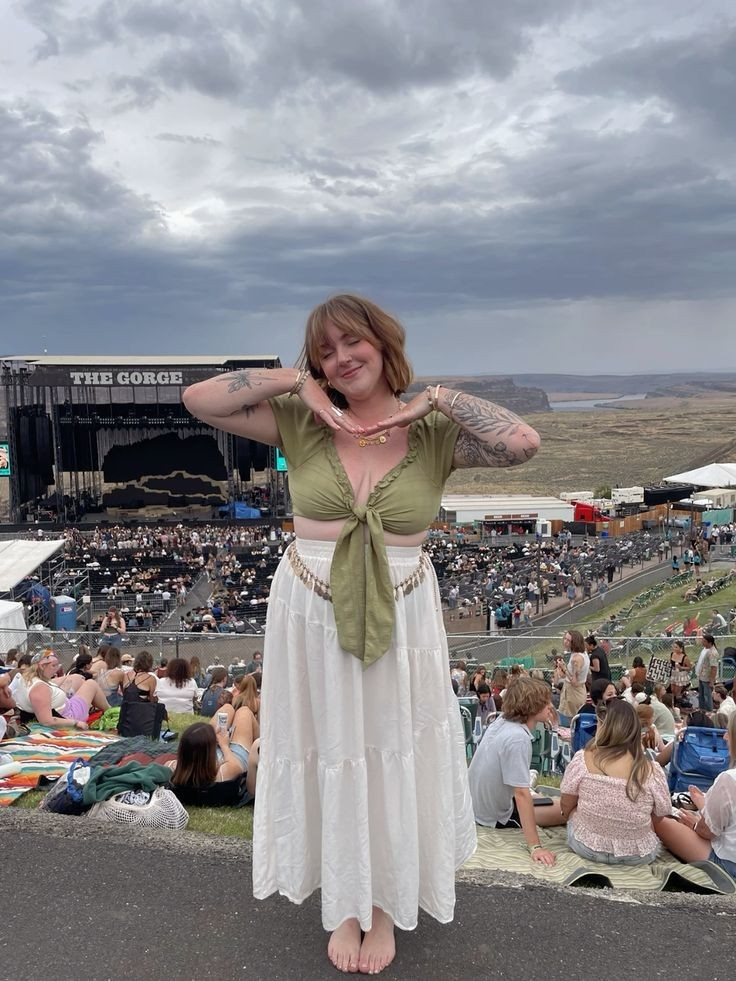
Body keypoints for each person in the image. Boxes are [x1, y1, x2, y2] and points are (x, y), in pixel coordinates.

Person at [182, 292, 541, 975]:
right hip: (310, 609)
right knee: (330, 744)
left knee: (388, 747)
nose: (341, 358)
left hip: (401, 613)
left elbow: (523, 442)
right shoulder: (299, 419)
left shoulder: (433, 433)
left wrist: (434, 399)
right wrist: (298, 384)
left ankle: (381, 904)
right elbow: (198, 399)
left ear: (382, 343)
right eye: (325, 351)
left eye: (353, 342)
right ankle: (345, 902)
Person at [560, 699, 671, 865]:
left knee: (574, 808)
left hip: (586, 847)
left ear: (604, 727)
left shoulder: (584, 759)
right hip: (638, 855)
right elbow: (661, 814)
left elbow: (566, 804)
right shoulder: (652, 771)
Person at [468, 677, 566, 865]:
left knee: (551, 802)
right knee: (567, 809)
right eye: (545, 702)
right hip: (495, 816)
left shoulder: (501, 722)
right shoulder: (518, 738)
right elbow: (521, 794)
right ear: (532, 706)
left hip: (478, 806)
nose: (550, 706)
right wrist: (535, 846)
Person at [654, 713, 736, 878]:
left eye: (729, 732)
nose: (725, 737)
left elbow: (707, 831)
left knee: (659, 820)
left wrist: (696, 823)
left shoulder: (729, 779)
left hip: (728, 864)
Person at [169, 709, 259, 803]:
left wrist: (211, 738)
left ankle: (211, 732)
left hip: (209, 756)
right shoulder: (222, 774)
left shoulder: (172, 767)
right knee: (244, 712)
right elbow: (235, 765)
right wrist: (224, 745)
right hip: (233, 756)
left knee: (227, 708)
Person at [13, 649, 109, 729]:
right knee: (91, 684)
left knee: (77, 679)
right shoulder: (40, 688)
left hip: (60, 708)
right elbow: (47, 721)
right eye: (53, 666)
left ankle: (103, 708)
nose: (57, 669)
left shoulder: (26, 679)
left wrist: (68, 678)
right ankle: (109, 711)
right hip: (68, 716)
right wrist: (76, 723)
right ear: (42, 666)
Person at [559, 630, 589, 721]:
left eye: (568, 640)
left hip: (573, 692)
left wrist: (564, 668)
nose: (565, 641)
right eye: (565, 639)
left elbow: (574, 682)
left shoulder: (576, 659)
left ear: (575, 642)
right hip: (579, 689)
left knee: (573, 720)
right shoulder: (583, 653)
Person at [695, 633, 719, 712]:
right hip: (702, 676)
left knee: (707, 695)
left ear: (710, 643)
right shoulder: (706, 650)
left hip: (707, 678)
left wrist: (711, 681)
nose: (702, 642)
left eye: (704, 641)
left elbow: (714, 668)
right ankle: (702, 709)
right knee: (701, 694)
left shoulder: (712, 653)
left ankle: (709, 711)